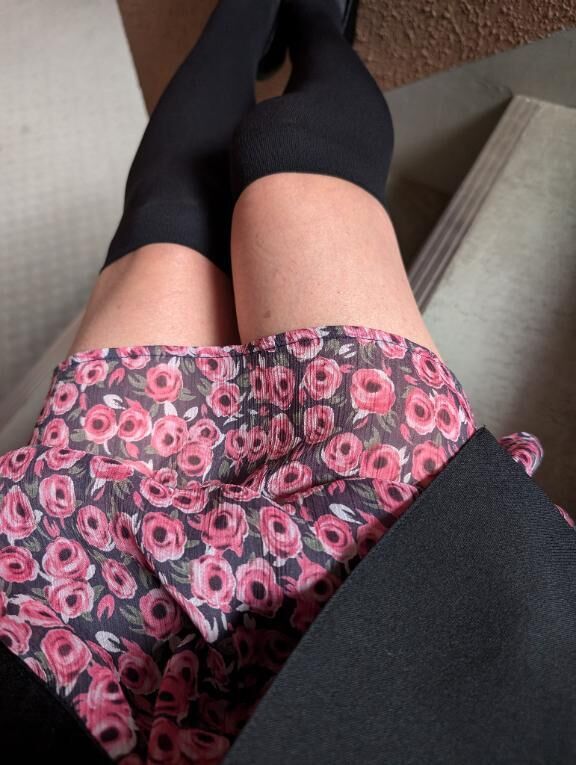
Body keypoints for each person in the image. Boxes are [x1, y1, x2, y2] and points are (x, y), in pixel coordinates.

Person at [0, 1, 573, 763]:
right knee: (289, 157)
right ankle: (317, 21)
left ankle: (243, 12)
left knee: (168, 217)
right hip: (409, 585)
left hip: (79, 609)